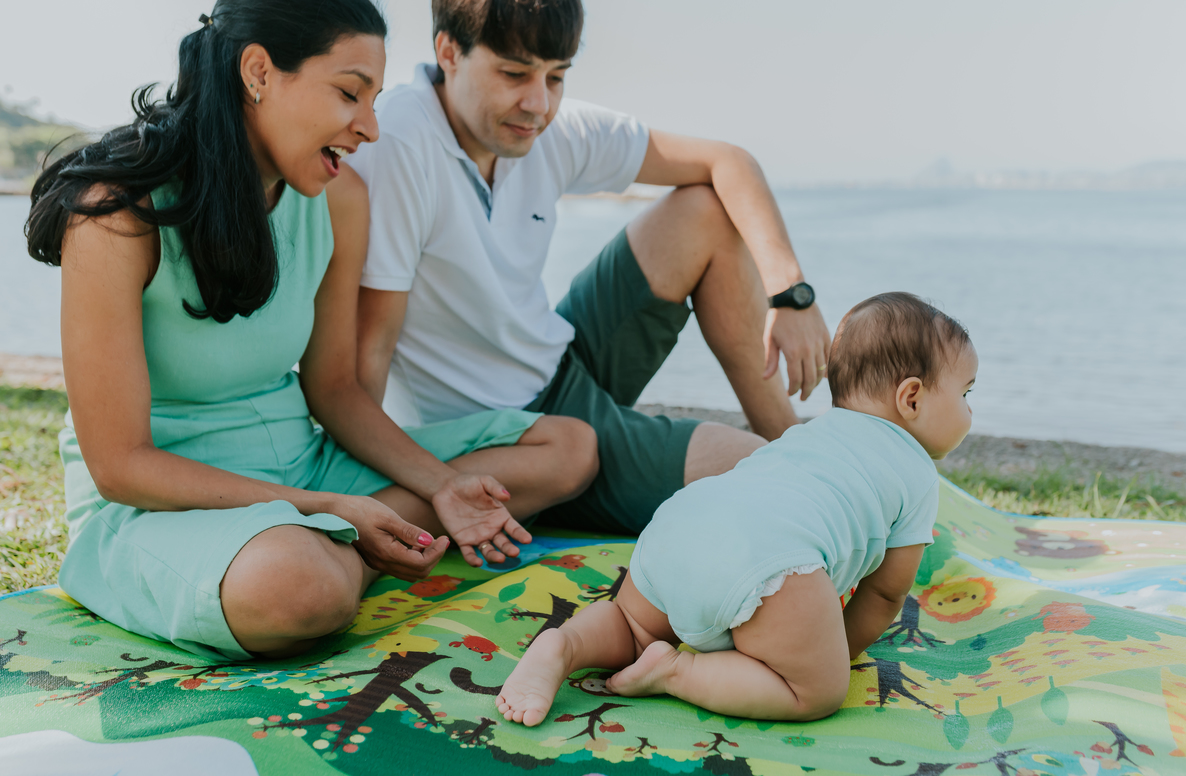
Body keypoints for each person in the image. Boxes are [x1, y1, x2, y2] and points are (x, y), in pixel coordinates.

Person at [24, 0, 598, 662]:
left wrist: (439, 482)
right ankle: (355, 551)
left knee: (566, 445)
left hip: (303, 464)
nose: (372, 128)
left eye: (377, 99)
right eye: (351, 93)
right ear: (260, 72)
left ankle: (362, 536)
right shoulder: (115, 215)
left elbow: (335, 387)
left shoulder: (339, 199)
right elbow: (121, 466)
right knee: (301, 587)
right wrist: (321, 506)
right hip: (162, 507)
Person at [347, 0, 833, 537]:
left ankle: (802, 450)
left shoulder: (542, 129)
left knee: (703, 211)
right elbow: (367, 352)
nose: (538, 103)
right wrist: (373, 502)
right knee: (753, 472)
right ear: (449, 53)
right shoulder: (398, 142)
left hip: (560, 363)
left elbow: (728, 161)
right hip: (502, 437)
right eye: (514, 73)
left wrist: (790, 294)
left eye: (556, 77)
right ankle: (794, 471)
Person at [496, 292, 978, 724]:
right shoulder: (916, 472)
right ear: (911, 397)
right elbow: (884, 595)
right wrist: (828, 655)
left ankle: (564, 645)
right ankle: (676, 671)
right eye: (965, 393)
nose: (970, 410)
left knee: (631, 625)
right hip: (769, 563)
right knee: (814, 691)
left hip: (679, 525)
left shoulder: (810, 433)